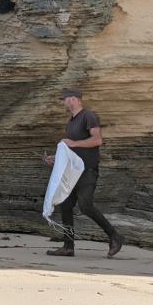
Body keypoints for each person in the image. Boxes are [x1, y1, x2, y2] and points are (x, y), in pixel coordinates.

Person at [43, 88, 124, 258]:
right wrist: (56, 159)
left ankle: (115, 236)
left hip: (88, 171)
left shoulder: (88, 116)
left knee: (86, 206)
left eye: (64, 99)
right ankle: (68, 246)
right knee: (65, 205)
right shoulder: (71, 121)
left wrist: (73, 143)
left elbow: (97, 140)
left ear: (74, 99)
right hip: (73, 173)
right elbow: (72, 152)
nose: (63, 102)